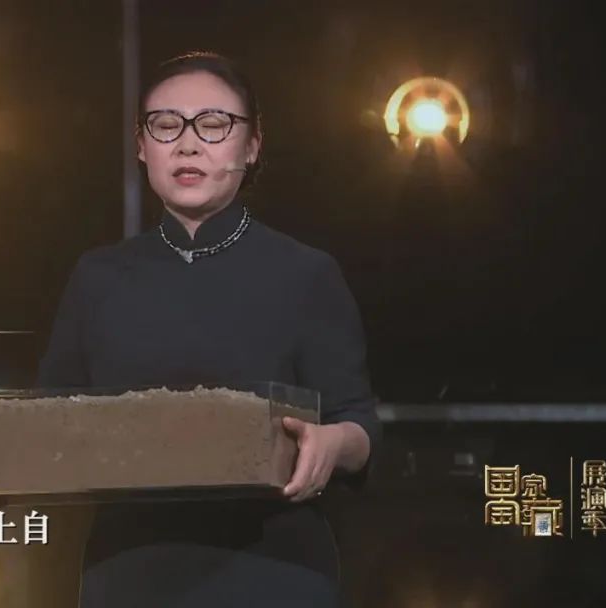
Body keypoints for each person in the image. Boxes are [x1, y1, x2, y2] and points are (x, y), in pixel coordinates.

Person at [34, 51, 381, 608]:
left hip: (275, 570)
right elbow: (43, 424)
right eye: (166, 125)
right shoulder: (97, 277)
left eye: (214, 124)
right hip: (129, 572)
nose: (188, 144)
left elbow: (359, 427)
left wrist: (332, 443)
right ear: (141, 146)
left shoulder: (306, 273)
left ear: (253, 144)